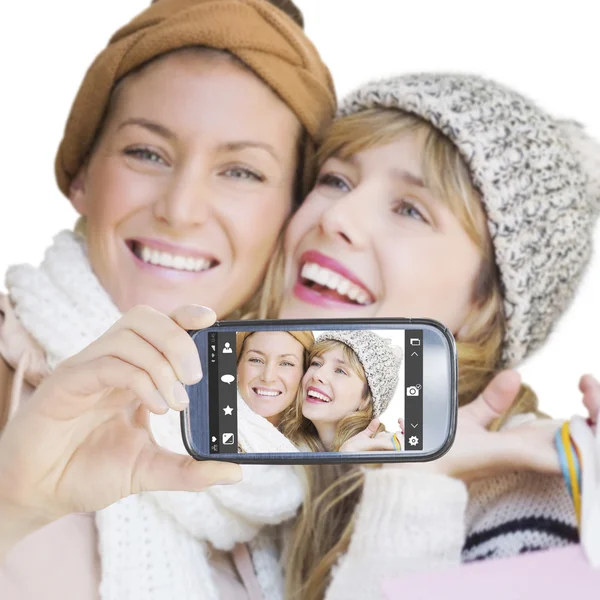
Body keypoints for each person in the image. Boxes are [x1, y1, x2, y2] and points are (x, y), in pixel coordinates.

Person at [0, 0, 336, 598]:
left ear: (290, 213)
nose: (179, 209)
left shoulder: (301, 460)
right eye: (147, 153)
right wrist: (12, 503)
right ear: (81, 175)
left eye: (240, 172)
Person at [251, 72, 600, 599]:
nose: (337, 216)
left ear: (485, 307)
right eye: (336, 180)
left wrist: (416, 493)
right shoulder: (241, 444)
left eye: (409, 209)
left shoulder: (533, 498)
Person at [280, 330, 402, 451]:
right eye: (316, 363)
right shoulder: (281, 444)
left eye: (340, 371)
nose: (317, 375)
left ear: (365, 399)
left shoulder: (386, 456)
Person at [235, 330, 314, 426]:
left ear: (305, 373)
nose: (268, 377)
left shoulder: (318, 436)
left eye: (286, 363)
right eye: (256, 360)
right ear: (236, 367)